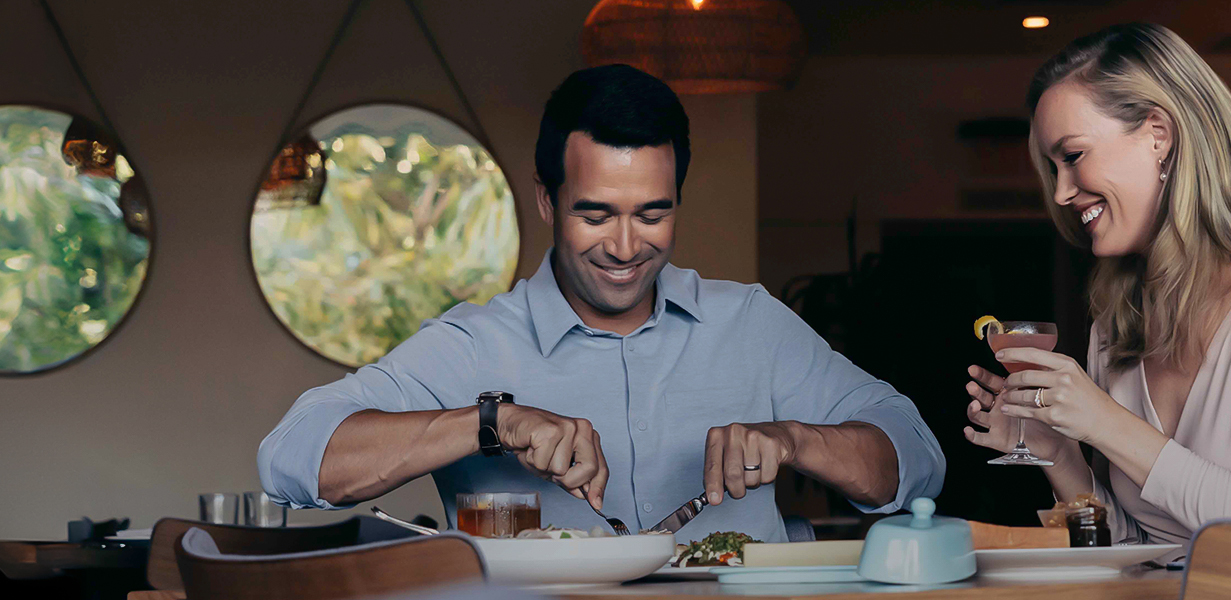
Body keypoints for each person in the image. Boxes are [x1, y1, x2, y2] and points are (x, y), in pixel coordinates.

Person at [260, 64, 945, 543]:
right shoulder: (474, 345)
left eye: (652, 213)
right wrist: (493, 423)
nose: (625, 247)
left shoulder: (753, 324)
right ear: (546, 200)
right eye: (595, 214)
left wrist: (795, 438)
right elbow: (292, 457)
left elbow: (915, 458)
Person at [962, 23, 1231, 547]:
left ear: (1159, 134)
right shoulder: (1117, 318)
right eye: (1052, 167)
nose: (1061, 192)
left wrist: (1104, 421)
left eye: (1073, 155)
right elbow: (1131, 544)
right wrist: (1056, 451)